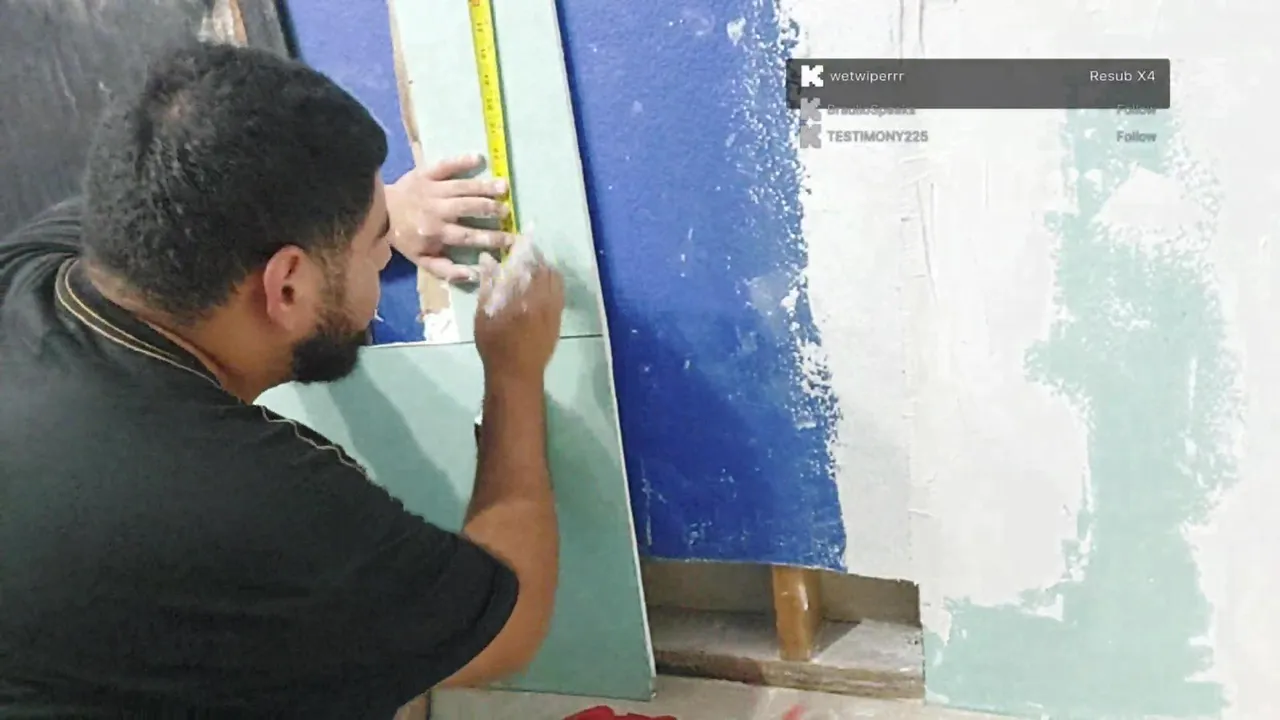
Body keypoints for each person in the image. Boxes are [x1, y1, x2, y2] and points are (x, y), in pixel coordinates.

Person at [0, 41, 564, 717]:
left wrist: (369, 212)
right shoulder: (256, 503)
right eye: (377, 241)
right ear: (287, 286)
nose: (385, 249)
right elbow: (509, 625)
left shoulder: (32, 269)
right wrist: (514, 374)